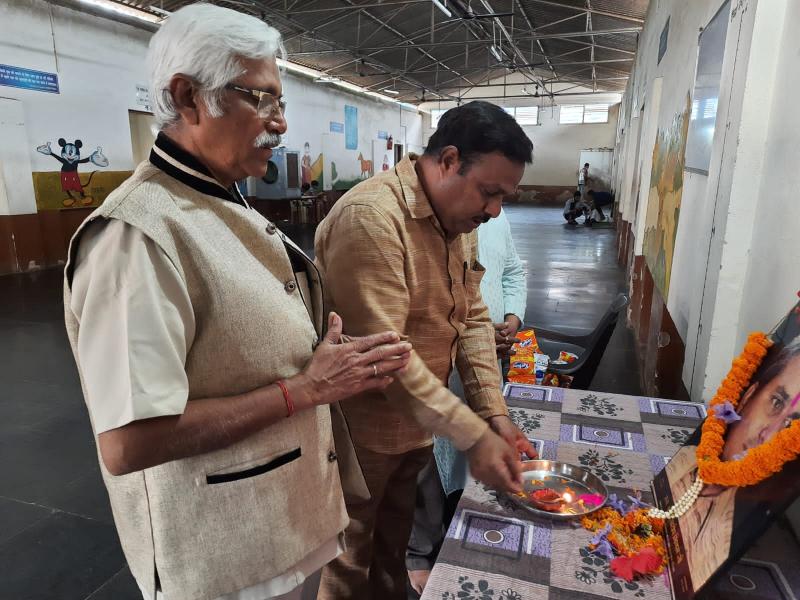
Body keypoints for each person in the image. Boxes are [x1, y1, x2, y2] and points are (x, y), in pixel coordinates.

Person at [62, 5, 412, 600]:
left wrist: (325, 359)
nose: (279, 124)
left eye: (281, 103)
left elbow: (238, 344)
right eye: (263, 99)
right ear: (189, 98)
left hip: (283, 523)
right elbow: (128, 442)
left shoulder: (220, 200)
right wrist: (306, 389)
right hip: (225, 558)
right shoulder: (136, 237)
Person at [314, 101, 536, 599]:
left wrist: (494, 414)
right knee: (352, 560)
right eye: (490, 192)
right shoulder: (372, 219)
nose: (495, 210)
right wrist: (474, 437)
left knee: (391, 550)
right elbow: (385, 357)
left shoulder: (456, 221)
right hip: (362, 434)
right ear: (449, 160)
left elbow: (472, 317)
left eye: (505, 197)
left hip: (415, 427)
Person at [406, 206, 530, 596]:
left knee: (468, 460)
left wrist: (512, 317)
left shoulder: (490, 218)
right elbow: (420, 311)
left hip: (482, 362)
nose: (492, 208)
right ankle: (418, 553)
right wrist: (467, 335)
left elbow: (509, 273)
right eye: (488, 191)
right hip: (431, 368)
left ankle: (463, 534)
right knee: (426, 461)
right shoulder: (411, 224)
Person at [667, 336, 800, 591]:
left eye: (791, 426)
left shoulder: (724, 537)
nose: (767, 436)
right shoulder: (683, 460)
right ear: (748, 396)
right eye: (776, 402)